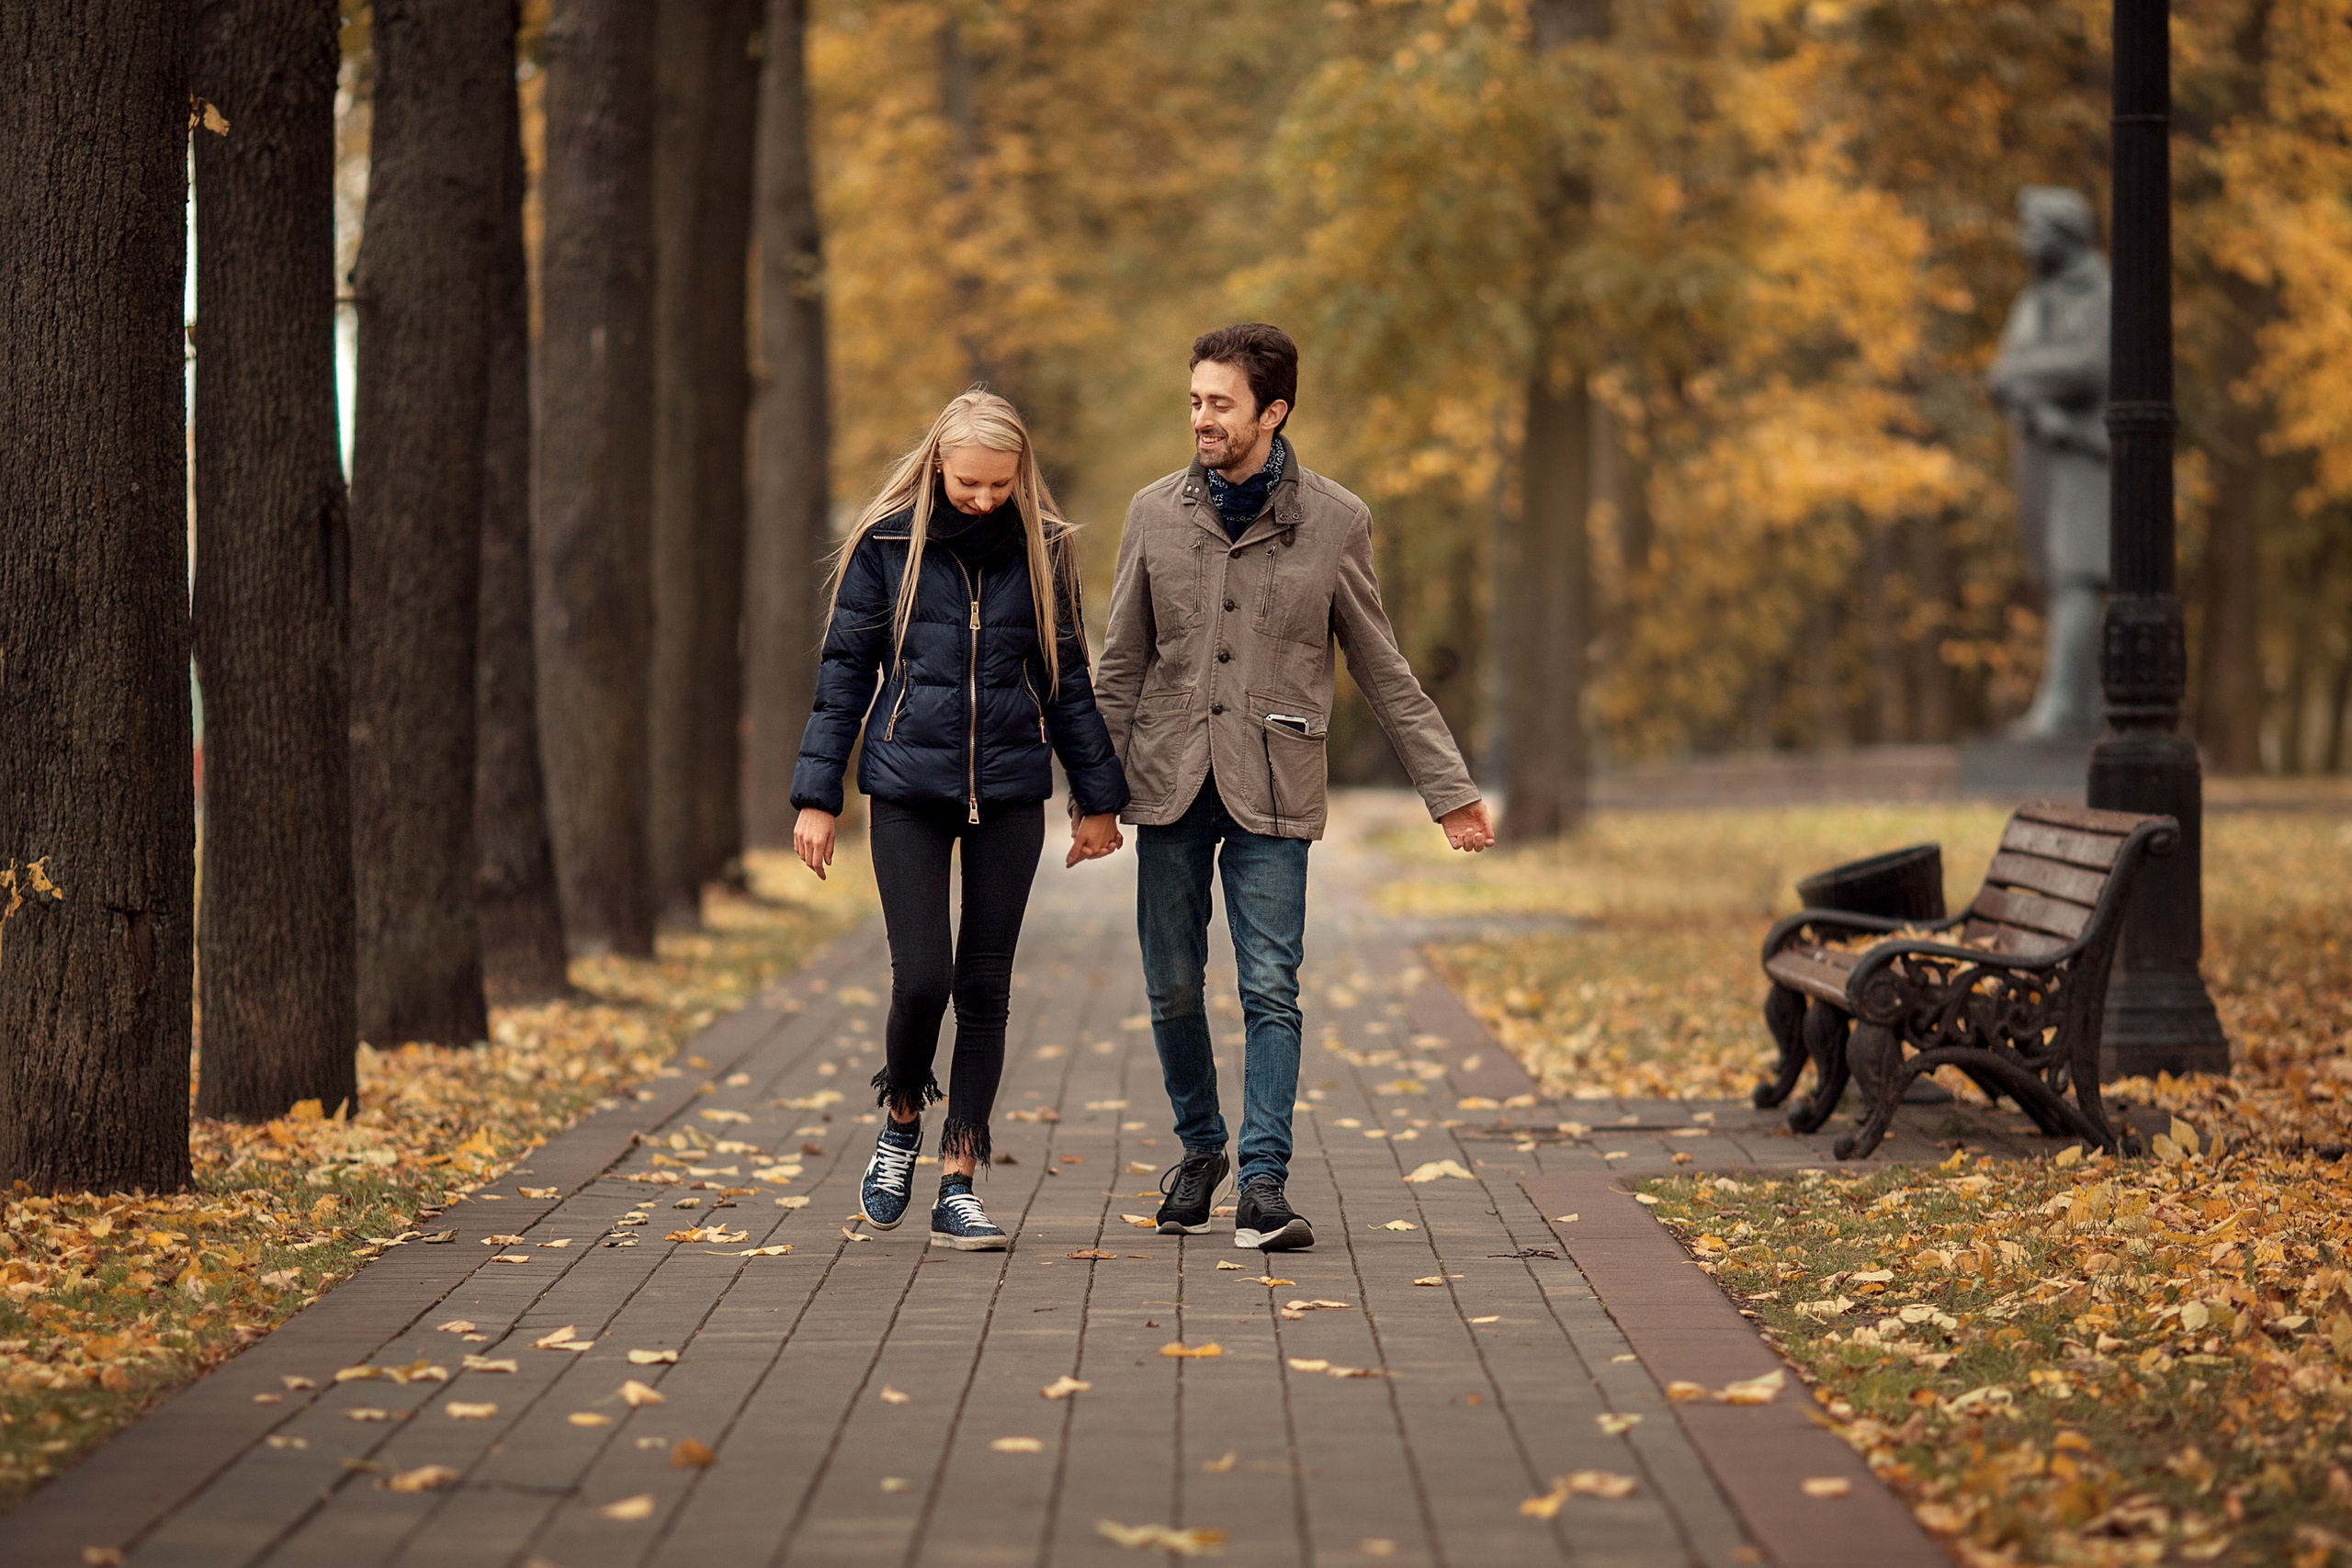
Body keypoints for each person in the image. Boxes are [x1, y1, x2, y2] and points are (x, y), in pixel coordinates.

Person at [1095, 323, 1492, 1252]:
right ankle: (1201, 1149)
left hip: (1275, 780)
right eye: (1193, 400)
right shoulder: (1152, 514)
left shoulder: (1336, 521)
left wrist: (1449, 791)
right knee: (1171, 987)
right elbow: (1120, 665)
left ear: (1271, 412)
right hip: (1167, 781)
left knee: (1272, 986)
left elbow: (1382, 668)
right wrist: (1092, 797)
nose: (1200, 418)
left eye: (1219, 403)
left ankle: (1263, 1183)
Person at [790, 389, 1128, 1252]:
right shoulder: (888, 544)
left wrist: (1098, 799)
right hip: (906, 786)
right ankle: (902, 1115)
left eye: (1000, 484)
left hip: (1012, 789)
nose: (984, 498)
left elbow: (1069, 679)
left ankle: (961, 1179)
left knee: (985, 989)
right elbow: (843, 677)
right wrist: (817, 796)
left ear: (1022, 475)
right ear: (939, 462)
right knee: (922, 980)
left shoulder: (1044, 549)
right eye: (970, 482)